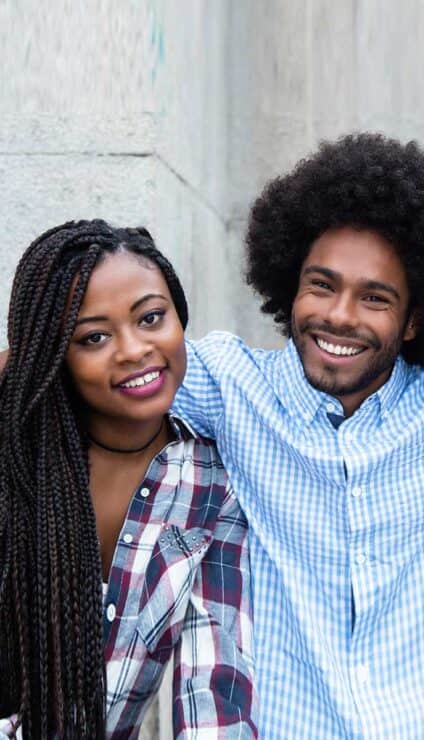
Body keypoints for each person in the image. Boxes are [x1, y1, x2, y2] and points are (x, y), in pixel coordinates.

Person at [173, 133, 424, 736]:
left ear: (414, 320)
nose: (339, 315)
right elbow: (85, 364)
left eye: (374, 298)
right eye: (322, 285)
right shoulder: (231, 386)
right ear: (291, 286)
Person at [0, 221, 257, 738]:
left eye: (151, 317)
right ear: (55, 355)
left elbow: (214, 687)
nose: (134, 349)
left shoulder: (210, 489)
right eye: (94, 337)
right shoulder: (15, 460)